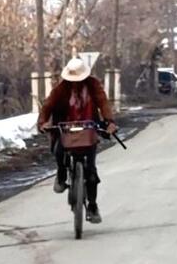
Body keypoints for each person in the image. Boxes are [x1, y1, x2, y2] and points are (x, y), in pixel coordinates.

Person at [38, 56, 118, 224]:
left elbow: (103, 103)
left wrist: (109, 122)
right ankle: (61, 174)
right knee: (58, 151)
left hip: (88, 127)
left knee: (91, 171)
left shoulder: (93, 85)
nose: (76, 82)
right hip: (64, 126)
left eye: (79, 79)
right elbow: (48, 106)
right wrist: (43, 122)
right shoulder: (61, 88)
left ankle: (93, 206)